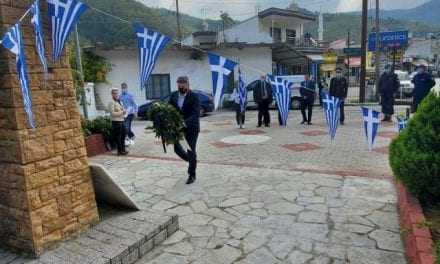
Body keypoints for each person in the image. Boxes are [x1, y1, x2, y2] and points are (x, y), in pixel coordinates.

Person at [169, 76, 200, 185]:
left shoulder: (194, 97)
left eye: (183, 84)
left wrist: (184, 122)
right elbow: (169, 109)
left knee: (190, 150)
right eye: (179, 84)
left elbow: (195, 114)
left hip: (191, 128)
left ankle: (192, 174)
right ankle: (192, 160)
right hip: (178, 129)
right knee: (177, 149)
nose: (181, 86)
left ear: (188, 84)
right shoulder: (173, 96)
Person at [108, 88, 128, 156]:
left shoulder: (120, 101)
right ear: (112, 94)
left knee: (123, 135)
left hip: (122, 120)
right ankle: (119, 151)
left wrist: (125, 111)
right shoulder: (111, 102)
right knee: (118, 137)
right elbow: (112, 113)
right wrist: (122, 112)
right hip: (116, 122)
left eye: (117, 93)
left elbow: (122, 109)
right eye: (114, 93)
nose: (116, 94)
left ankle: (123, 150)